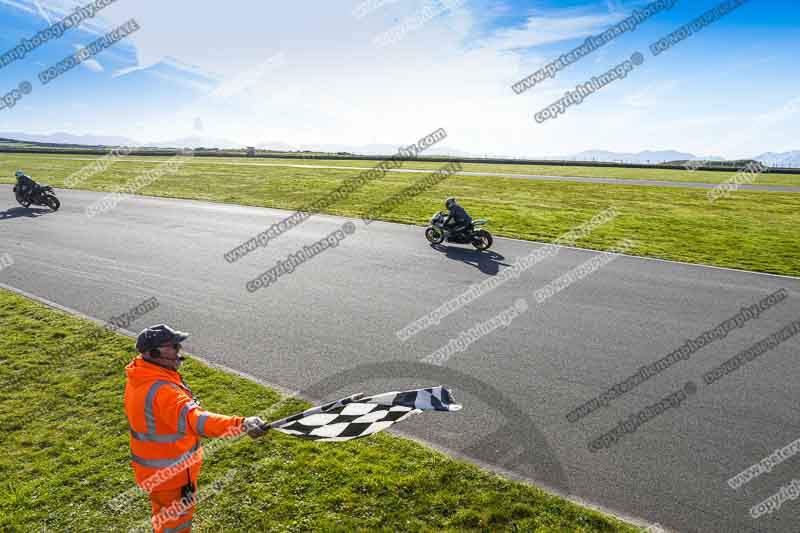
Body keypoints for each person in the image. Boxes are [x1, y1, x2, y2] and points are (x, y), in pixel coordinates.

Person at [124, 324, 268, 533]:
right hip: (172, 476)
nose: (179, 350)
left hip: (154, 473)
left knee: (163, 519)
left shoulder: (141, 375)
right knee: (176, 525)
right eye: (173, 346)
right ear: (153, 353)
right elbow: (197, 420)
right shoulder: (163, 390)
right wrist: (241, 424)